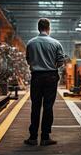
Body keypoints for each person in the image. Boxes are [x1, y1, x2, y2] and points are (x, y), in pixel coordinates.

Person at [24, 18, 65, 146]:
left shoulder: (31, 43)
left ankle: (32, 138)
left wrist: (37, 64)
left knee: (35, 107)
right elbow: (61, 60)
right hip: (50, 77)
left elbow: (28, 59)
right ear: (48, 28)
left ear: (38, 28)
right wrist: (52, 66)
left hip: (36, 77)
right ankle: (45, 138)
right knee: (48, 107)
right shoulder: (56, 43)